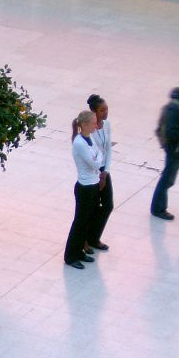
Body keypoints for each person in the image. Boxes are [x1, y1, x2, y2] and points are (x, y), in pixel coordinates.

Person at [71, 95, 113, 252]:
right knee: (91, 207)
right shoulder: (91, 129)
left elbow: (108, 149)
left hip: (103, 170)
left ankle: (94, 237)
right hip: (93, 172)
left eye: (107, 109)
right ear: (94, 112)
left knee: (108, 205)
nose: (106, 113)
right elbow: (94, 156)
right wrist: (99, 170)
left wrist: (106, 171)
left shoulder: (107, 125)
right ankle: (85, 240)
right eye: (102, 110)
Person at [64, 110, 104, 269]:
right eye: (94, 122)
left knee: (87, 221)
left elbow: (98, 155)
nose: (96, 124)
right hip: (85, 187)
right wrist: (98, 158)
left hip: (93, 185)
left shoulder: (89, 138)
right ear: (85, 124)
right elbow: (95, 163)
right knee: (80, 223)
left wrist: (98, 158)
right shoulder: (79, 142)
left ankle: (79, 251)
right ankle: (70, 256)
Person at [151, 78, 179, 220]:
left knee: (168, 178)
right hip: (176, 151)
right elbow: (170, 132)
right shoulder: (174, 108)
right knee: (168, 179)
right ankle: (158, 208)